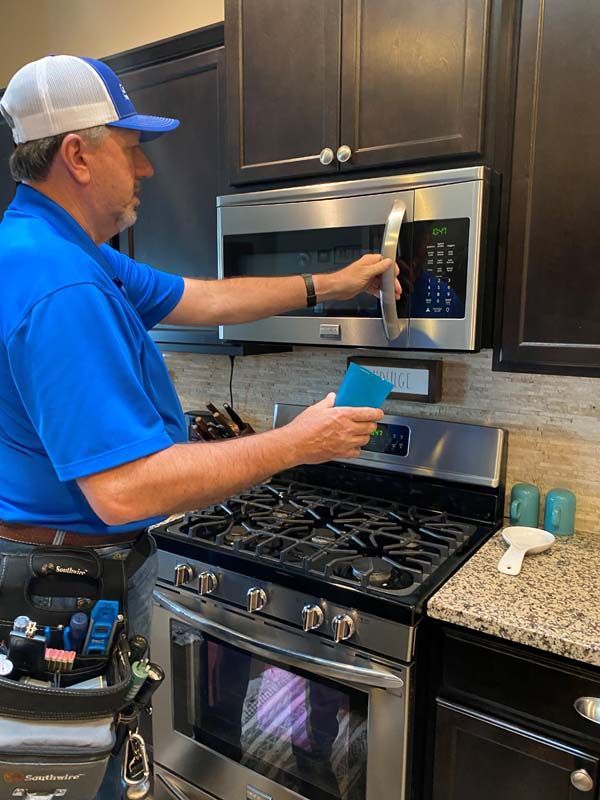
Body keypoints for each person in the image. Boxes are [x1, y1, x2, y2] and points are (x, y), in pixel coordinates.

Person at [0, 55, 400, 798]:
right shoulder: (60, 284)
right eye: (131, 145)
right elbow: (123, 490)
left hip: (66, 570)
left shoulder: (53, 246)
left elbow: (205, 301)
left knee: (97, 765)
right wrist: (295, 443)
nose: (146, 169)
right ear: (78, 155)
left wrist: (333, 285)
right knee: (72, 779)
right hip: (64, 587)